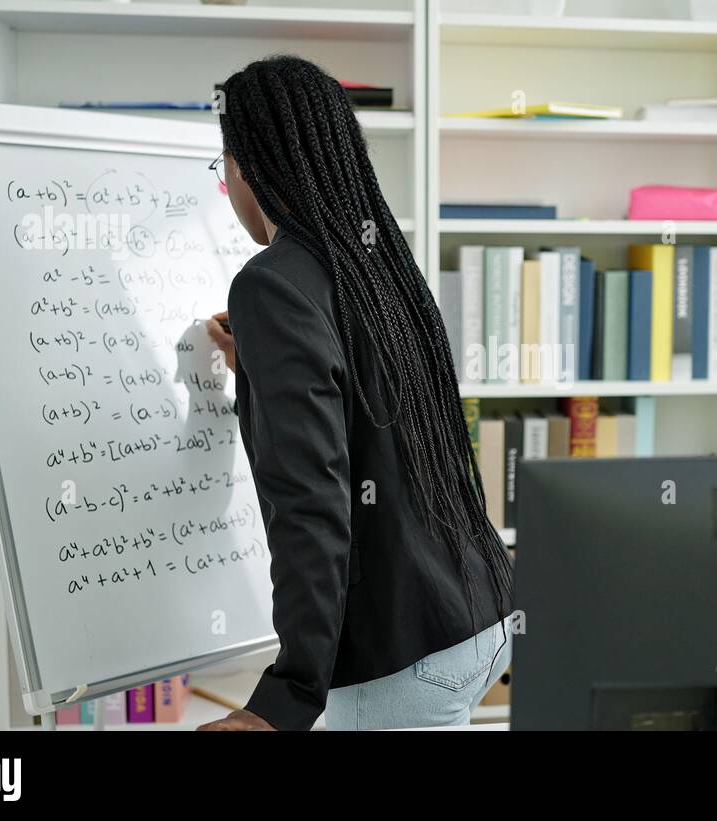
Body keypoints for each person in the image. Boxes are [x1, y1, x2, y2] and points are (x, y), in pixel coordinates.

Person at [197, 56, 513, 731]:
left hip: (395, 659)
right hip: (475, 620)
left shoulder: (271, 284)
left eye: (224, 163)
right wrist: (257, 360)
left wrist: (285, 697)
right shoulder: (377, 263)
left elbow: (311, 501)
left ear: (246, 166)